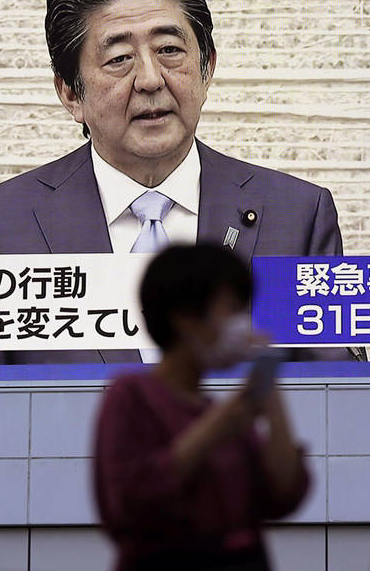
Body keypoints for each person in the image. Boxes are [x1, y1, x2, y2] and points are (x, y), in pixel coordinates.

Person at [0, 0, 348, 364]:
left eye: (169, 50)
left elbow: (340, 404)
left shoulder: (298, 217)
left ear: (207, 68)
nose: (150, 80)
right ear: (69, 92)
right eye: (119, 58)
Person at [93, 244, 308, 571]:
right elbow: (128, 504)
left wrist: (268, 384)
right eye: (231, 308)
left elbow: (284, 493)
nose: (241, 323)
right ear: (185, 318)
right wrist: (217, 425)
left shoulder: (223, 411)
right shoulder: (131, 395)